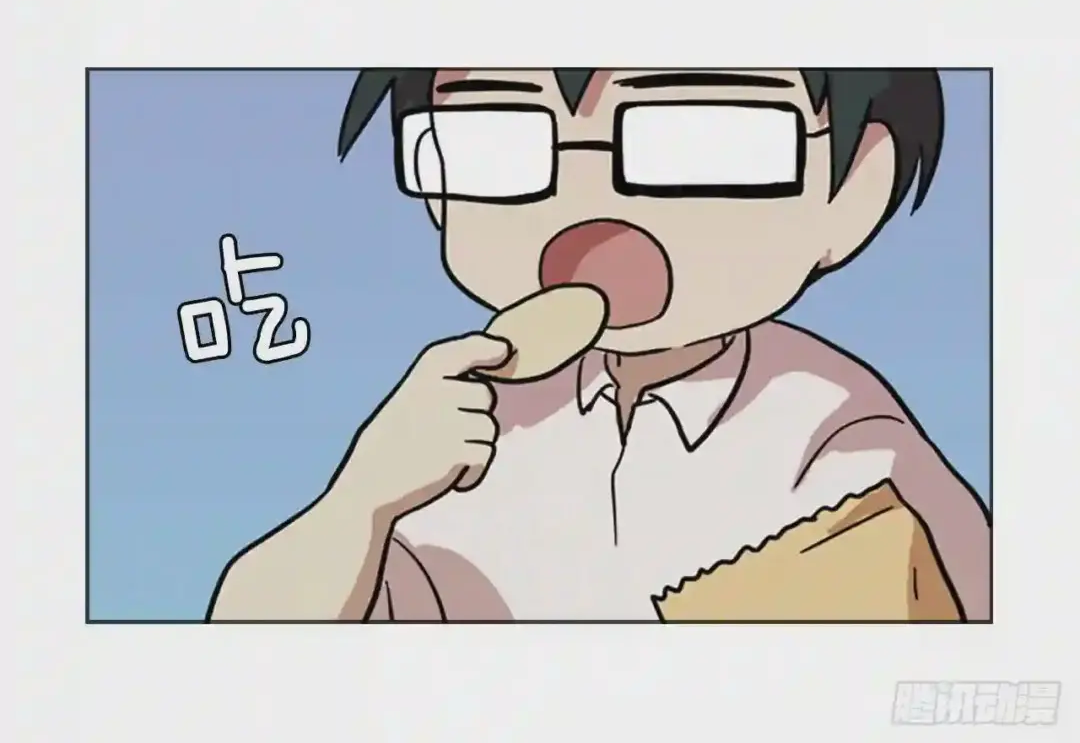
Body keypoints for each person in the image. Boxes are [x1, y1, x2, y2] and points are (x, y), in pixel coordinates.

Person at [209, 67, 990, 624]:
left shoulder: (841, 438)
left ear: (853, 188)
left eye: (701, 138)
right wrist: (362, 501)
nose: (588, 202)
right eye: (493, 141)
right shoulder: (463, 433)